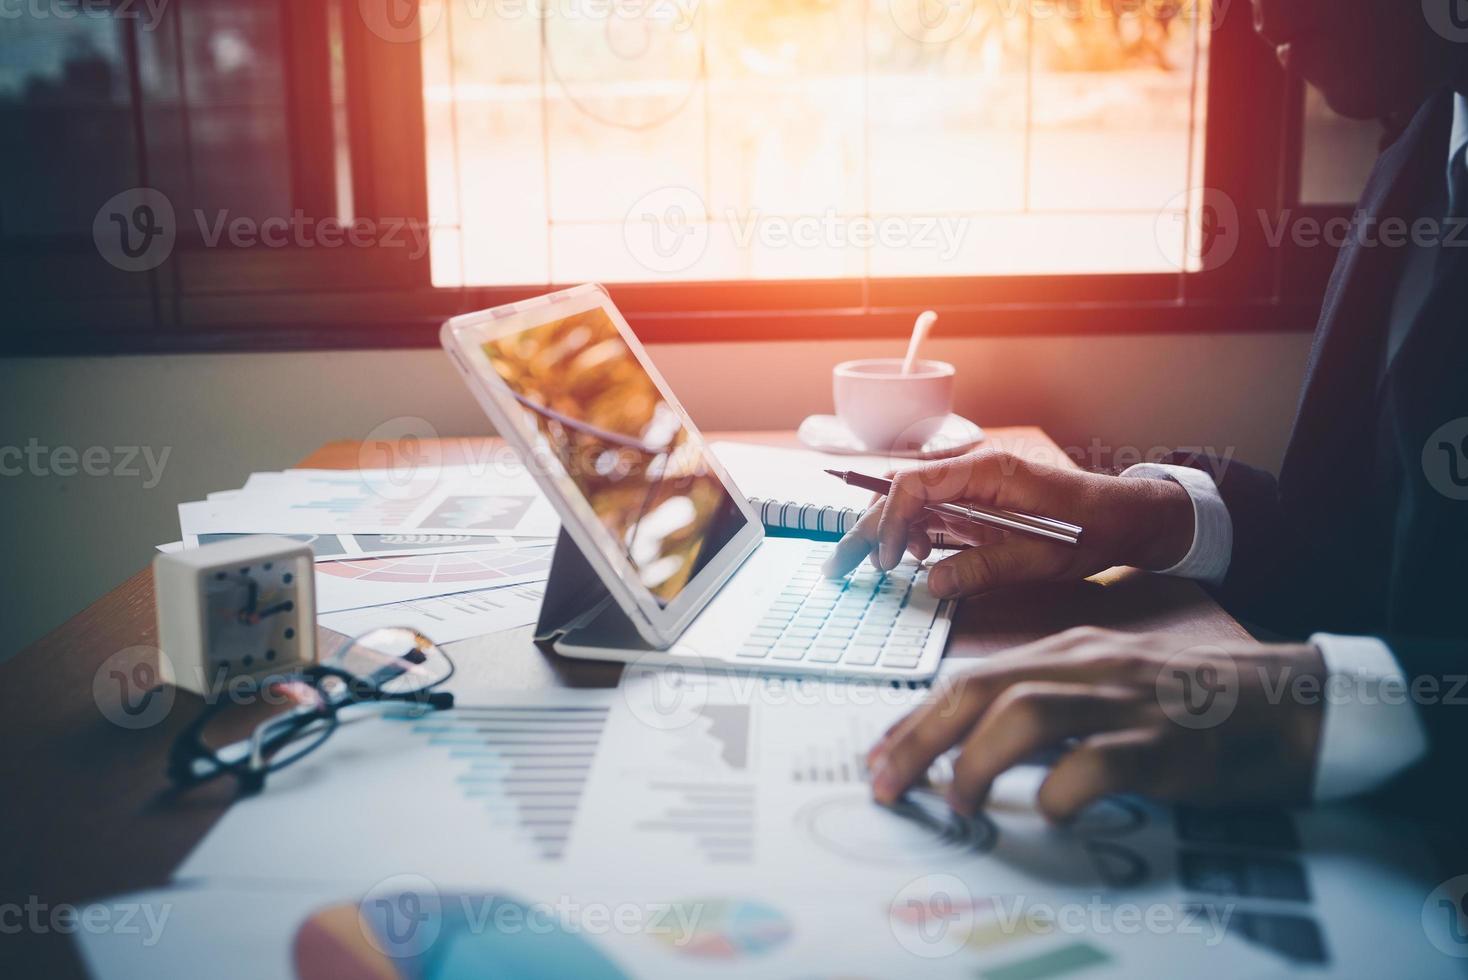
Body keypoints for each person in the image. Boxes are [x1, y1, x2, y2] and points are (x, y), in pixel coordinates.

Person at [824, 0, 1468, 822]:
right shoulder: (1428, 141)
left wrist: (1321, 701)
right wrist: (1136, 513)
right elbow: (1370, 552)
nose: (1247, 13)